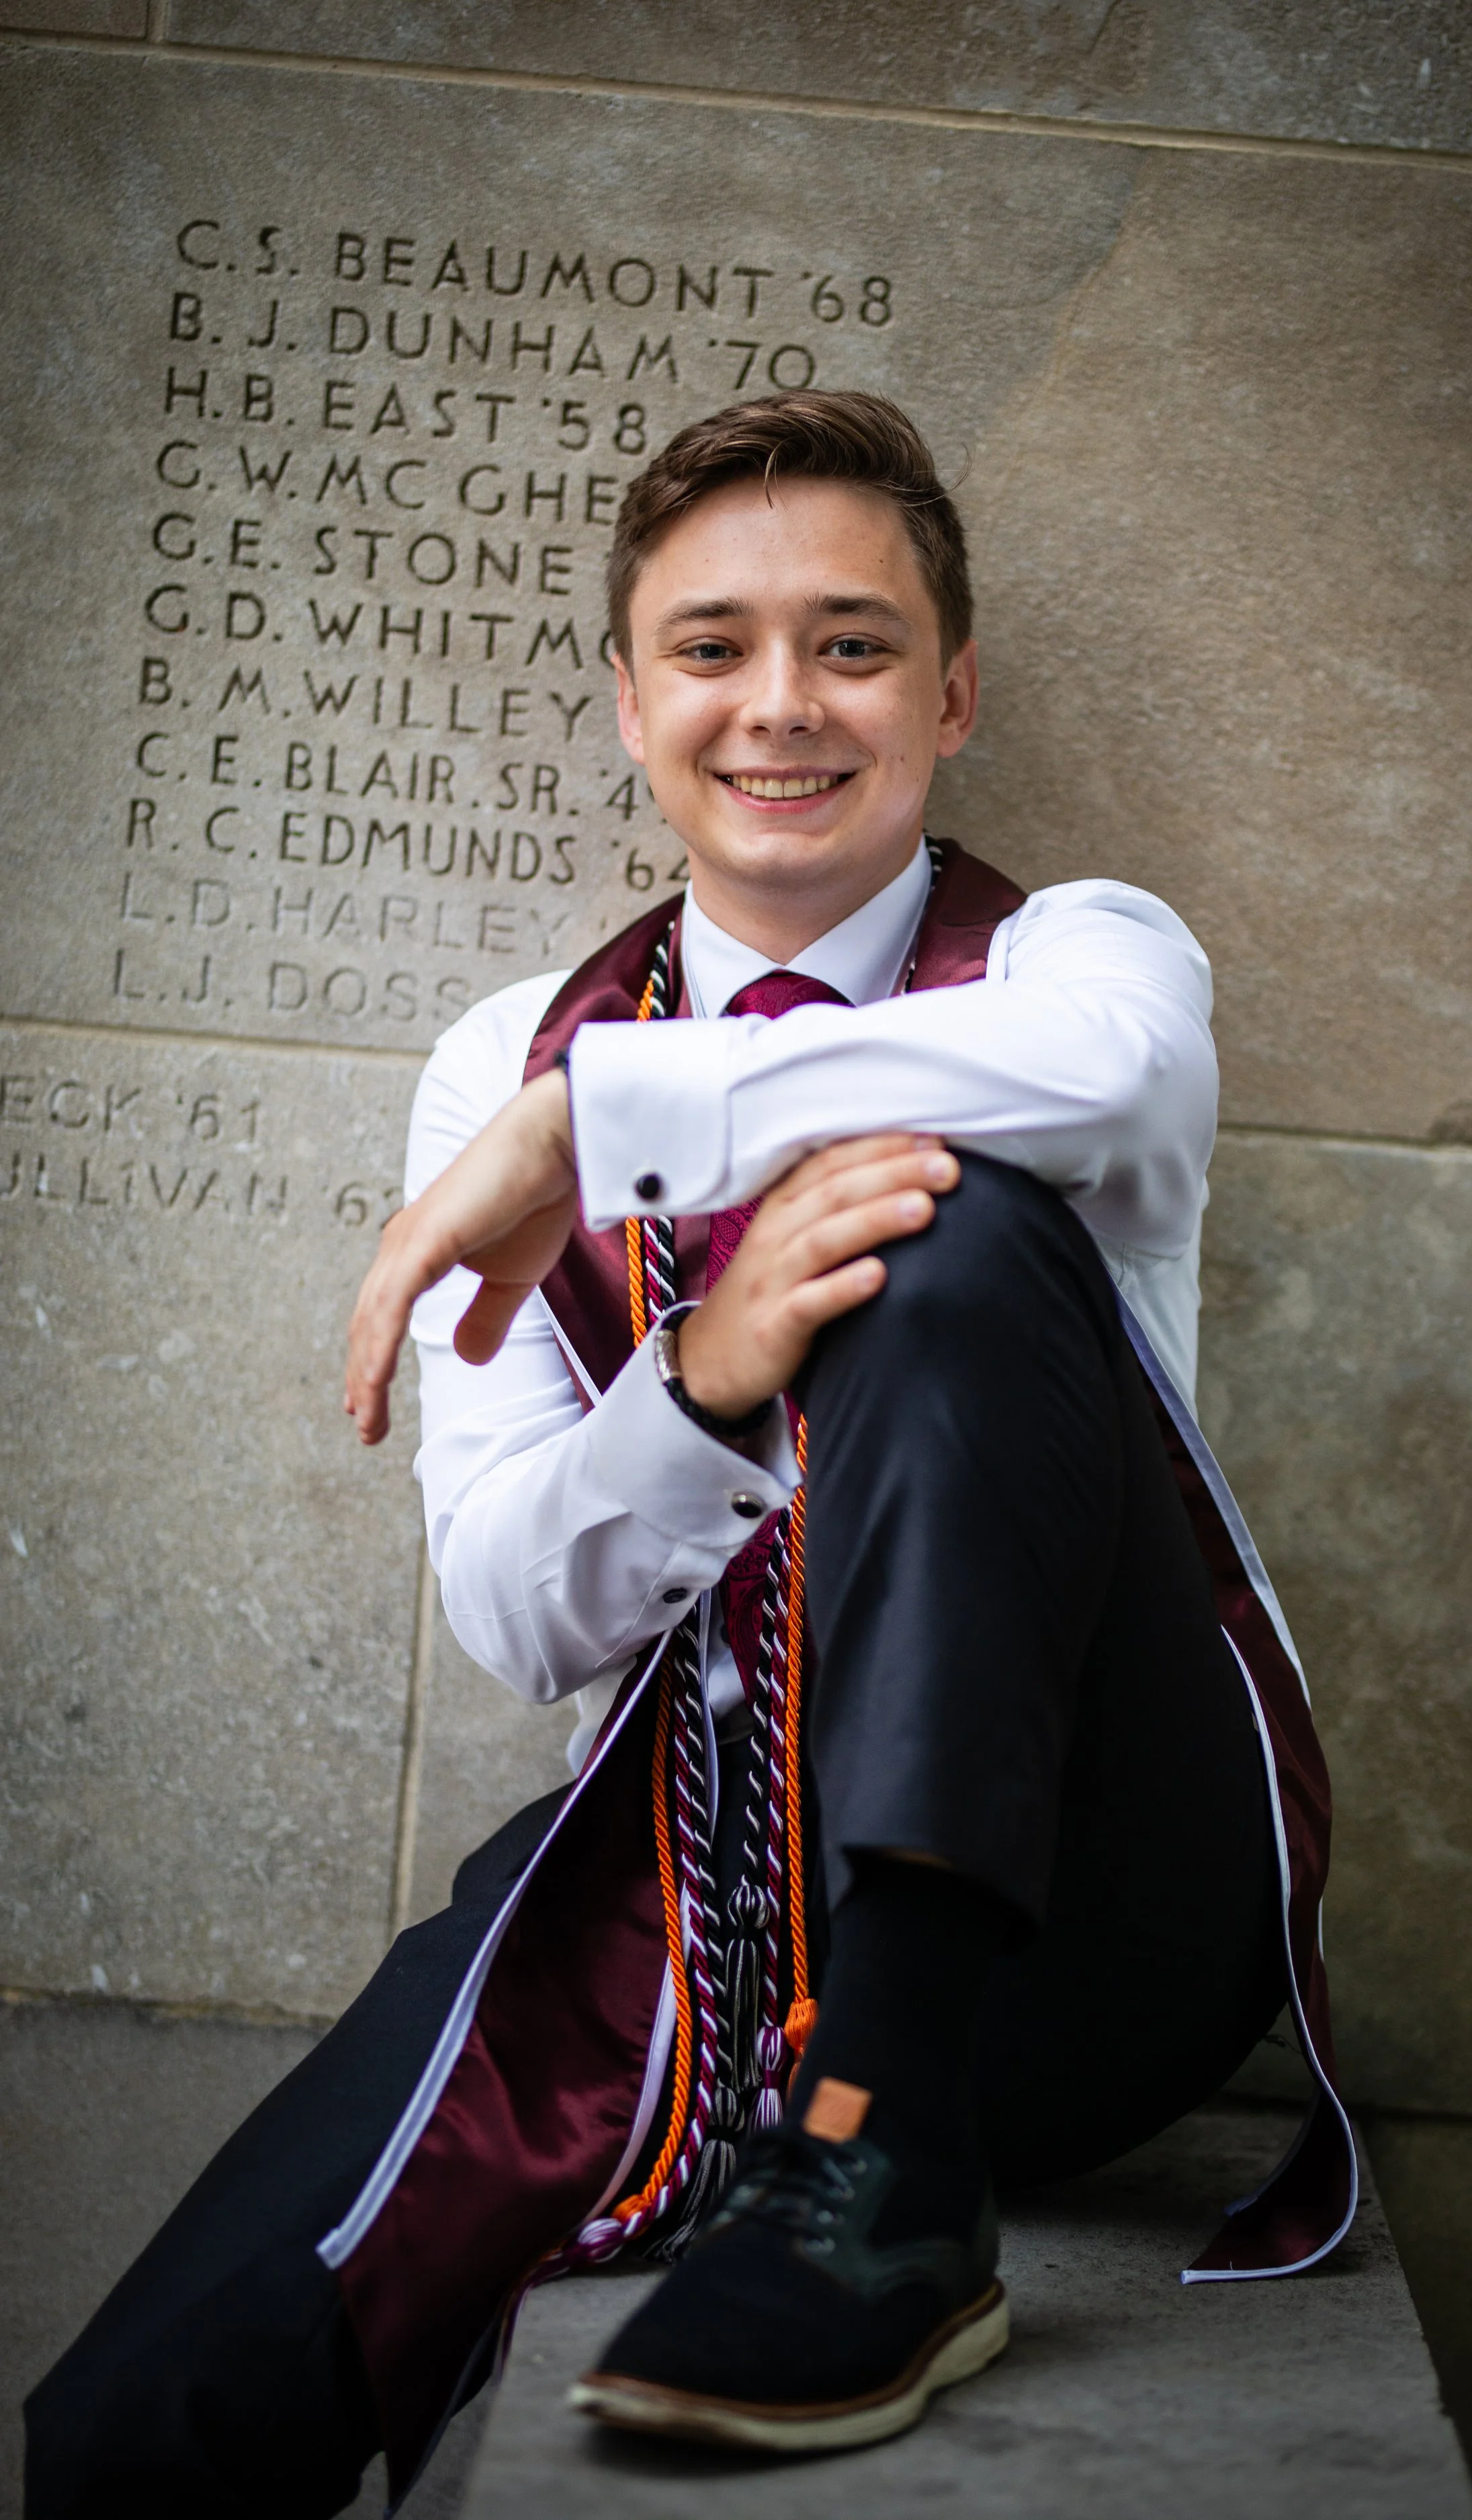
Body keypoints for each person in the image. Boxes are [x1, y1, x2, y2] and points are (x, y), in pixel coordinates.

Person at [26, 392, 1354, 2517]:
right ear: (631, 697)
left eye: (851, 642)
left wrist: (603, 1124)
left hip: (1095, 1901)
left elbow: (1102, 1076)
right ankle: (805, 2119)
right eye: (714, 647)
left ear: (952, 689)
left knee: (941, 1211)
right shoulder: (491, 1050)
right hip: (689, 1867)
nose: (781, 705)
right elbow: (513, 1611)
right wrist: (702, 1376)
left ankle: (887, 2166)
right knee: (130, 2427)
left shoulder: (1074, 955)